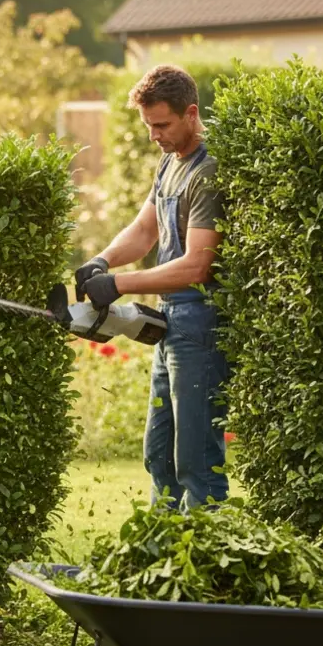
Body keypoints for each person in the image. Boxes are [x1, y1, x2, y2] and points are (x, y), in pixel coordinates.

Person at [75, 64, 230, 511]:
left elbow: (198, 264)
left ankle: (202, 566)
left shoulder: (209, 170)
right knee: (158, 454)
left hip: (200, 325)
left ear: (191, 113)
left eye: (161, 125)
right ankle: (159, 558)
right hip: (171, 322)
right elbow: (146, 230)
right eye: (148, 126)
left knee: (196, 461)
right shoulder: (169, 162)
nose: (153, 136)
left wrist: (120, 283)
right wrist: (102, 261)